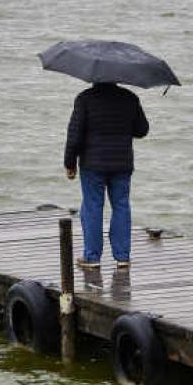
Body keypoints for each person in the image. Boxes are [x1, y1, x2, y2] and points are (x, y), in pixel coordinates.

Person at [64, 82, 150, 271]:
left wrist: (69, 163)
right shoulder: (130, 98)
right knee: (121, 206)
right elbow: (142, 130)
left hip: (93, 164)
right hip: (122, 162)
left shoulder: (84, 99)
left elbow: (75, 135)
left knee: (93, 206)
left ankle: (92, 257)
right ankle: (122, 257)